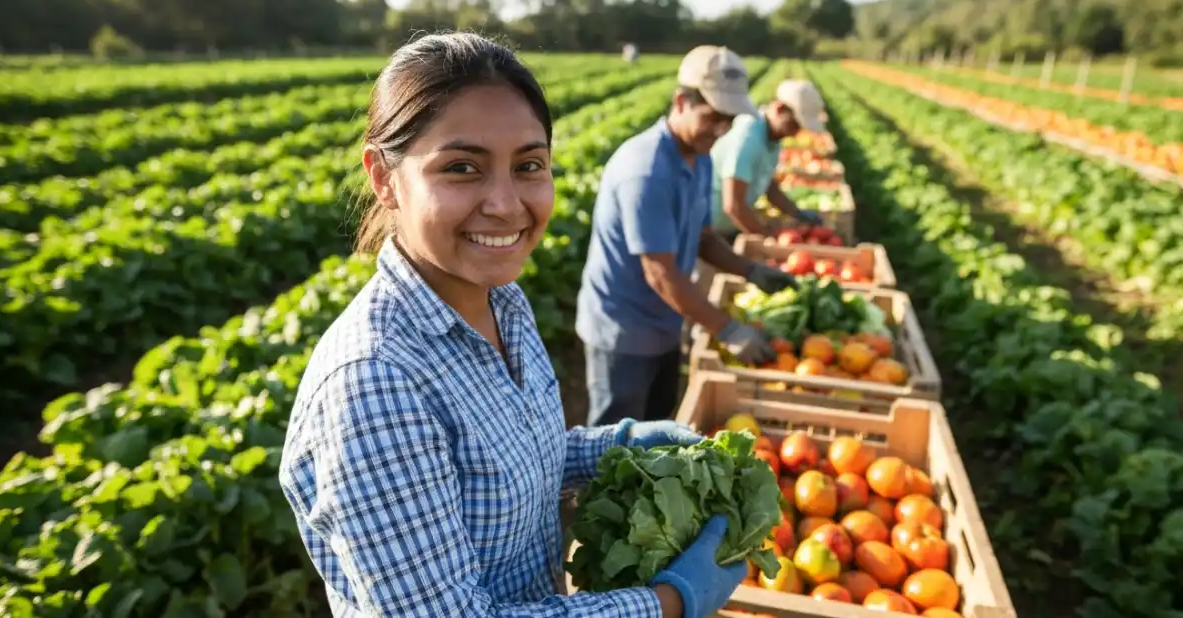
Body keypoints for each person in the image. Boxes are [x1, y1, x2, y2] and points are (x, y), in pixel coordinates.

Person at [278, 33, 747, 618]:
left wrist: (613, 448)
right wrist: (668, 603)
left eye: (529, 165)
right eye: (461, 168)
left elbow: (511, 462)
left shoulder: (503, 300)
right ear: (383, 177)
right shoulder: (374, 383)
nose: (504, 203)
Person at [575, 45, 797, 429]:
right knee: (612, 441)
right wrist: (726, 328)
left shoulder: (700, 158)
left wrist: (750, 270)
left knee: (654, 431)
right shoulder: (646, 171)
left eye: (728, 120)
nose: (722, 129)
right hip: (623, 329)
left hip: (665, 320)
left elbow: (703, 238)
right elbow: (660, 273)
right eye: (713, 117)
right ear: (681, 101)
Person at [708, 79, 829, 243]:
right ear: (779, 109)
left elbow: (767, 184)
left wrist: (796, 213)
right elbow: (733, 206)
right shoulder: (748, 138)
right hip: (710, 231)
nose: (796, 133)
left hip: (729, 227)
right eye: (794, 124)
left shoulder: (772, 138)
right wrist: (769, 238)